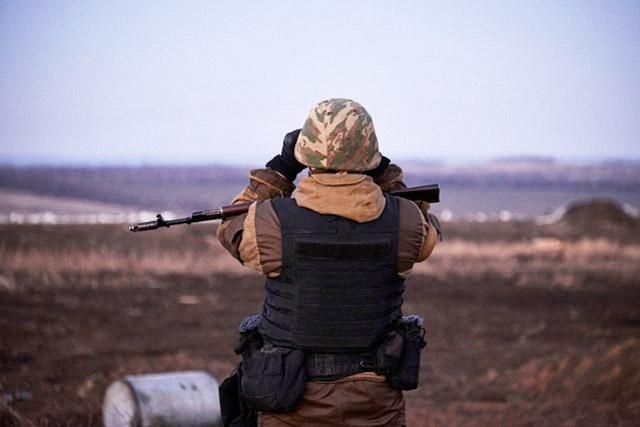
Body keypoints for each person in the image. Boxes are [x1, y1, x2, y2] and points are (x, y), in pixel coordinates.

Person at [217, 98, 440, 427]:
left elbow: (230, 229)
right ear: (370, 153)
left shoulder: (272, 223)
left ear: (306, 154)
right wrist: (385, 173)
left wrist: (280, 169)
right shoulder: (405, 222)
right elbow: (425, 227)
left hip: (290, 398)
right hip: (375, 403)